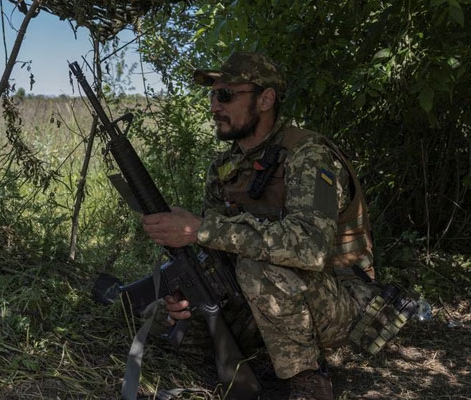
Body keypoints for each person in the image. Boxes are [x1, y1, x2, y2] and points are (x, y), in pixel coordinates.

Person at [141, 52, 378, 400]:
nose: (214, 106)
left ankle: (307, 381)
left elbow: (310, 249)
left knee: (258, 269)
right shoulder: (225, 167)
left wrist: (200, 229)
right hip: (264, 294)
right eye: (212, 95)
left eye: (225, 95)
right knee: (161, 317)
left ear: (265, 99)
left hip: (342, 300)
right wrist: (188, 285)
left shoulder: (307, 154)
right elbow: (218, 252)